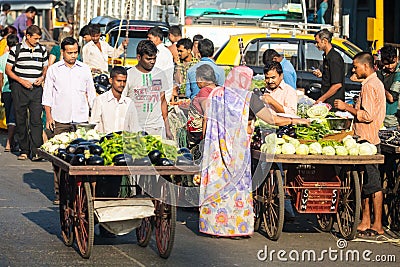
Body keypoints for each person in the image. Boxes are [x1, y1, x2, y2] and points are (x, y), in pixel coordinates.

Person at [199, 66, 309, 238]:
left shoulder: (215, 94)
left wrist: (207, 144)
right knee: (236, 189)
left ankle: (214, 227)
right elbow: (272, 119)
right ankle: (235, 228)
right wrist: (296, 120)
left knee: (217, 186)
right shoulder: (248, 98)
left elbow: (206, 122)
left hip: (215, 150)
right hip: (237, 152)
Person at [334, 52, 385, 238]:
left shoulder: (371, 85)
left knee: (374, 184)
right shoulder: (369, 83)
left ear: (365, 66)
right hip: (362, 138)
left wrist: (346, 107)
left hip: (369, 140)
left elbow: (367, 115)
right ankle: (365, 220)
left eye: (356, 66)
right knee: (365, 184)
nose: (354, 70)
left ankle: (377, 224)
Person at [42, 37, 96, 204]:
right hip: (60, 119)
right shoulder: (54, 70)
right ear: (62, 52)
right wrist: (49, 117)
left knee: (82, 158)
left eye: (75, 52)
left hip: (81, 121)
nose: (73, 56)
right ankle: (60, 193)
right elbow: (48, 95)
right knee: (60, 159)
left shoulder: (84, 69)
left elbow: (91, 94)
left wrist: (94, 117)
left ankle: (78, 192)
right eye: (70, 52)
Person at [5, 25, 48, 161]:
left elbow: (45, 67)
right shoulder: (16, 50)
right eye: (35, 38)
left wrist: (42, 78)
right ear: (28, 36)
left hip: (36, 89)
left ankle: (36, 151)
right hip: (20, 88)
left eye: (39, 38)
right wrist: (21, 81)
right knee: (21, 119)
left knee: (36, 120)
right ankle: (24, 150)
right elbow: (8, 70)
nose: (37, 41)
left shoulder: (42, 50)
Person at [124, 40, 173, 139]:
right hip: (135, 129)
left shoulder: (160, 74)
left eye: (154, 58)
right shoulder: (129, 75)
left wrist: (167, 129)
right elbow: (123, 103)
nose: (152, 62)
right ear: (138, 57)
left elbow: (163, 102)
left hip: (156, 128)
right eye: (148, 59)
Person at [90, 66, 140, 134]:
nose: (122, 84)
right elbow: (93, 126)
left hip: (124, 143)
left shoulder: (129, 103)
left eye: (124, 81)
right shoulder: (100, 100)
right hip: (104, 142)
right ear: (111, 80)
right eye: (119, 81)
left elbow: (135, 128)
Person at [312, 28, 345, 110]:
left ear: (325, 41)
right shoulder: (326, 57)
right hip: (327, 101)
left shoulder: (334, 58)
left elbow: (337, 84)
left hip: (333, 103)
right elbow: (331, 76)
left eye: (317, 42)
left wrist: (321, 99)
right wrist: (322, 75)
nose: (316, 45)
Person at [187, 64, 217, 148]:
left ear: (200, 78)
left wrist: (204, 140)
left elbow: (206, 116)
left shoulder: (204, 91)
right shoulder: (217, 89)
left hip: (199, 134)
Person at [0, 34, 18, 152]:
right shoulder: (17, 57)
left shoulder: (1, 58)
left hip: (5, 90)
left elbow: (0, 77)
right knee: (13, 117)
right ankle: (9, 143)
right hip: (16, 89)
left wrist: (1, 91)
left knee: (9, 114)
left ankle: (11, 141)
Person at [147, 26, 174, 103]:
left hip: (160, 93)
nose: (148, 40)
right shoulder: (160, 51)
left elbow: (156, 74)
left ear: (157, 38)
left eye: (150, 38)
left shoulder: (161, 53)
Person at [376, 45, 400, 130]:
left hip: (392, 122)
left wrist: (379, 85)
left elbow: (391, 98)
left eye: (392, 63)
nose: (390, 66)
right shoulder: (381, 73)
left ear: (397, 58)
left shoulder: (398, 74)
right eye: (386, 64)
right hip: (380, 119)